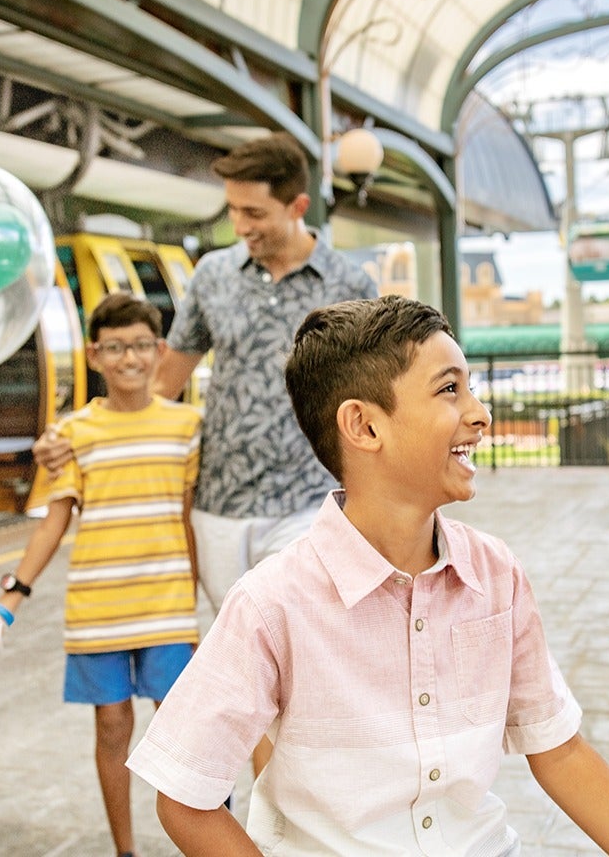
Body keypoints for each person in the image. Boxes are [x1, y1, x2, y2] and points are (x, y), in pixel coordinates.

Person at [125, 296, 609, 857]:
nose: (480, 413)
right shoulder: (271, 604)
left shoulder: (496, 573)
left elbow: (561, 752)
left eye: (471, 387)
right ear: (363, 425)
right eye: (449, 390)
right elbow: (184, 798)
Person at [39, 134, 375, 613]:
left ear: (298, 205)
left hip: (310, 499)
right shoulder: (212, 276)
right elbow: (159, 387)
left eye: (254, 213)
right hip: (218, 505)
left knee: (304, 636)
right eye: (233, 210)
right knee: (239, 644)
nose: (239, 225)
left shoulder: (351, 285)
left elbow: (373, 394)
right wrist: (80, 439)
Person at [0, 293, 202, 857]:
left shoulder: (188, 426)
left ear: (160, 350)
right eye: (115, 348)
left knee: (186, 735)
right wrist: (7, 606)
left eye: (141, 346)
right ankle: (126, 851)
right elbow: (53, 523)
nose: (129, 359)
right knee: (112, 729)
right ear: (94, 355)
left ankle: (202, 842)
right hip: (97, 610)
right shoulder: (73, 434)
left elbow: (192, 520)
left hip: (168, 606)